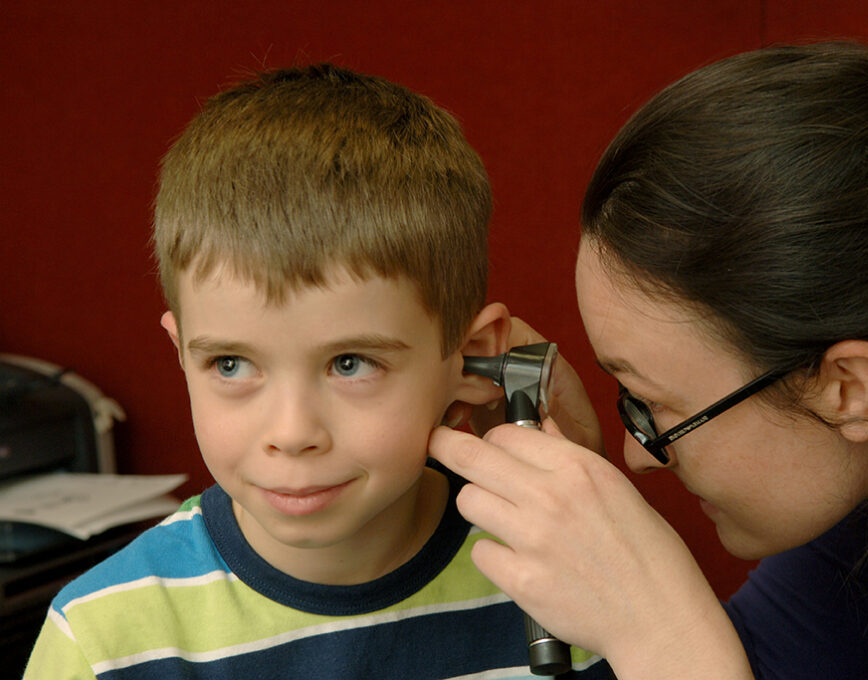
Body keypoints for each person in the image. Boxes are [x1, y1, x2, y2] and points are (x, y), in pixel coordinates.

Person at [430, 41, 868, 679]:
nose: (637, 455)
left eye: (654, 403)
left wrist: (650, 621)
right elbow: (757, 664)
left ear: (848, 388)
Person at [24, 64, 611, 679]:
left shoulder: (567, 585)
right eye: (230, 363)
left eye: (350, 364)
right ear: (181, 354)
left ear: (471, 359)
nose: (292, 431)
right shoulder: (101, 640)